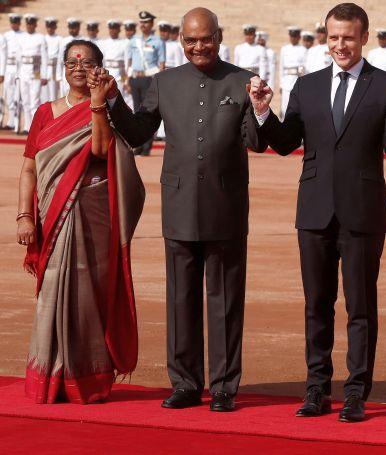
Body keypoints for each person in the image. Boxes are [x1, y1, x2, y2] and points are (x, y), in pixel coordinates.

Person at [249, 2, 386, 423]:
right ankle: (316, 389)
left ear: (364, 37)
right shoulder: (306, 87)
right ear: (326, 39)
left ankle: (358, 392)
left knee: (361, 306)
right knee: (317, 304)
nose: (340, 45)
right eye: (333, 37)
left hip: (363, 212)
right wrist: (262, 111)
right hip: (314, 212)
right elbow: (287, 142)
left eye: (348, 37)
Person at [90, 7, 267, 412]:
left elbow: (256, 142)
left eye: (206, 39)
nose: (199, 46)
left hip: (226, 205)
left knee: (225, 300)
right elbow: (137, 134)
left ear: (219, 38)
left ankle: (224, 386)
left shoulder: (243, 81)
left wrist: (259, 108)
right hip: (179, 204)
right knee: (181, 298)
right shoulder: (164, 82)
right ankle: (185, 383)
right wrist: (113, 98)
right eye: (191, 40)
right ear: (181, 41)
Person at [19, 39, 144, 404]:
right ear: (62, 67)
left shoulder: (107, 108)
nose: (78, 68)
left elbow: (101, 151)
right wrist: (26, 216)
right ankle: (49, 376)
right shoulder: (46, 112)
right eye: (72, 63)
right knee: (53, 290)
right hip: (53, 213)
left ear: (99, 68)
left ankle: (85, 379)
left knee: (88, 295)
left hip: (92, 214)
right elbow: (28, 168)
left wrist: (98, 103)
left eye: (87, 63)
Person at [127, 10, 166, 155]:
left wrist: (159, 82)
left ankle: (147, 146)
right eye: (141, 22)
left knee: (149, 112)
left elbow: (162, 64)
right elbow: (129, 61)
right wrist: (127, 80)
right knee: (137, 111)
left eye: (146, 22)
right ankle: (138, 144)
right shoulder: (133, 41)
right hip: (135, 78)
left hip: (150, 79)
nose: (143, 25)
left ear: (151, 24)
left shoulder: (158, 42)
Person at [17, 14, 48, 134]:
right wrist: (17, 74)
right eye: (28, 24)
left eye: (32, 24)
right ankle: (27, 126)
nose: (30, 26)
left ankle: (34, 127)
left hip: (36, 71)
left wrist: (44, 75)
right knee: (25, 100)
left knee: (35, 99)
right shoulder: (21, 37)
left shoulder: (40, 37)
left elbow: (45, 58)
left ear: (35, 25)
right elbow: (18, 58)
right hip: (24, 71)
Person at [279, 27, 307, 117]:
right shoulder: (284, 49)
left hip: (298, 79)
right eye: (291, 36)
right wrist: (280, 83)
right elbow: (281, 67)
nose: (293, 38)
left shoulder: (303, 50)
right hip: (286, 81)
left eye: (295, 36)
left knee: (297, 106)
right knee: (284, 106)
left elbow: (305, 67)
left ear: (299, 37)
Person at [2, 13, 23, 131]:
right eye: (12, 23)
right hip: (8, 67)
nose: (14, 25)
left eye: (16, 23)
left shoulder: (23, 36)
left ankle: (17, 123)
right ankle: (10, 121)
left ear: (19, 23)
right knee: (9, 95)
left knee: (18, 95)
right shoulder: (6, 35)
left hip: (19, 67)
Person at [59, 18, 84, 97]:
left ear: (78, 28)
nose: (72, 30)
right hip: (67, 71)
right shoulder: (64, 41)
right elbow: (60, 59)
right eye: (70, 28)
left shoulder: (84, 40)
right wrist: (59, 75)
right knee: (65, 94)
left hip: (79, 71)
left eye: (74, 28)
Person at [42, 17, 62, 103]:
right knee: (44, 96)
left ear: (55, 27)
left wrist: (59, 73)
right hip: (44, 68)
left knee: (54, 96)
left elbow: (60, 56)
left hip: (54, 67)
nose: (50, 29)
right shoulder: (43, 38)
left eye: (52, 27)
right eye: (48, 27)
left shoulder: (59, 39)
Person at [121, 20, 137, 109]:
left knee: (133, 99)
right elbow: (123, 65)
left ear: (134, 30)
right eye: (127, 30)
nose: (129, 32)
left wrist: (128, 80)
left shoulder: (138, 43)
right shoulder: (122, 43)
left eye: (131, 30)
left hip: (134, 75)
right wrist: (125, 81)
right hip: (124, 75)